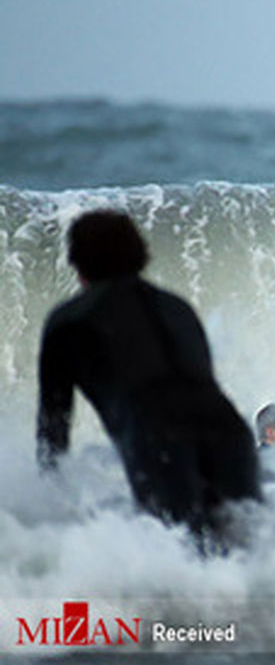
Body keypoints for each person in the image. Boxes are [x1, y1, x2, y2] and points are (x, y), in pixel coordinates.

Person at [36, 209, 261, 544]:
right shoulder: (178, 308)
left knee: (186, 559)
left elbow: (54, 428)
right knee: (251, 554)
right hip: (231, 435)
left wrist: (44, 518)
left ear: (77, 262)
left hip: (160, 443)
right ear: (140, 252)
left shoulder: (69, 321)